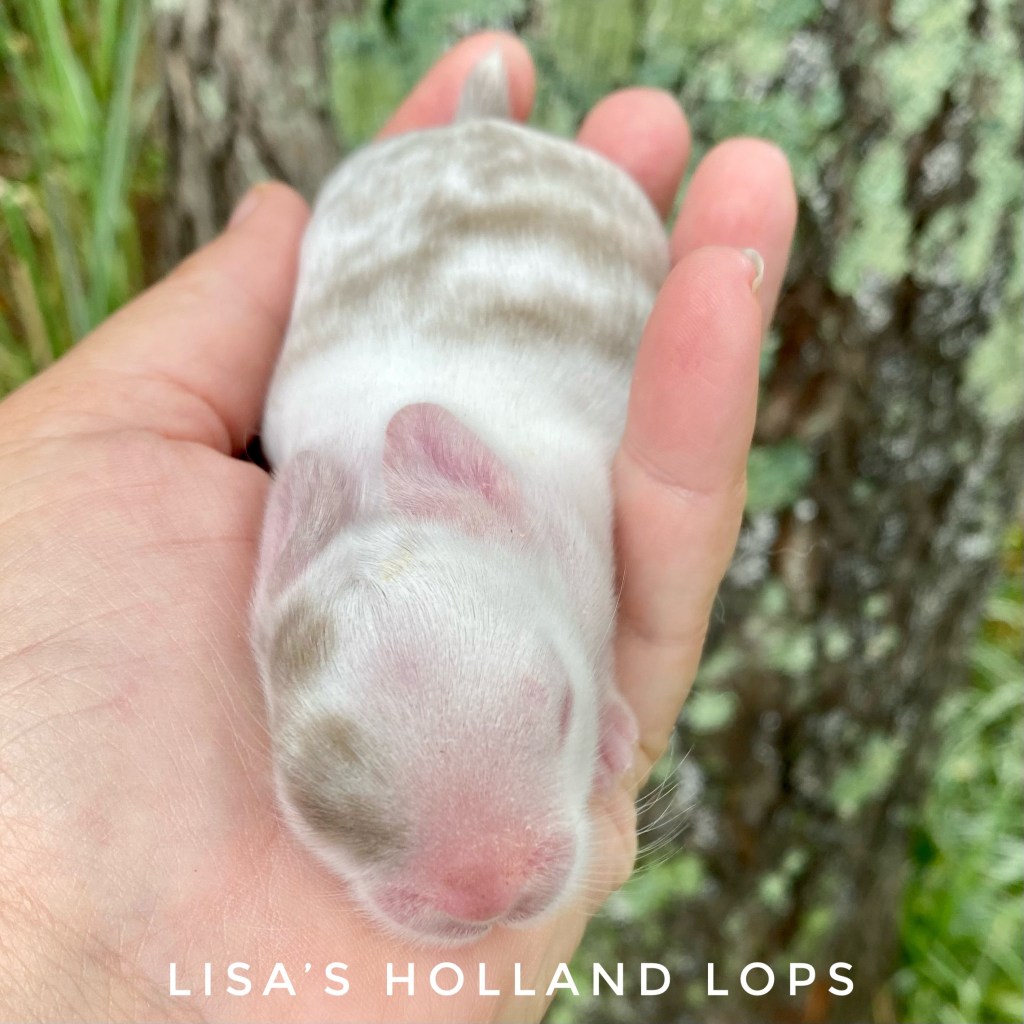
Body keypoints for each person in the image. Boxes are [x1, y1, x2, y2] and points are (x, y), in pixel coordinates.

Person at [0, 31, 796, 1023]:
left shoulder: (531, 507)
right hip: (478, 231)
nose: (492, 887)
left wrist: (589, 689)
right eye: (356, 814)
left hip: (540, 232)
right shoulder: (316, 459)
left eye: (557, 710)